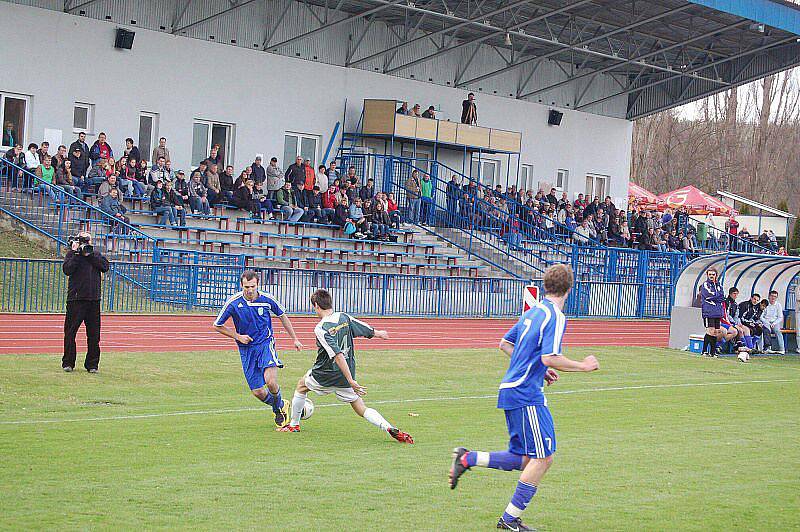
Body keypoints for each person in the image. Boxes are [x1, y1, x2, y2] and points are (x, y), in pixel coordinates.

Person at [448, 264, 598, 531]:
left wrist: (542, 370)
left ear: (544, 286)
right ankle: (509, 520)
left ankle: (467, 459)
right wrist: (583, 365)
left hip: (512, 389)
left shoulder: (533, 312)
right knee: (543, 458)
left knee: (526, 458)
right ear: (570, 290)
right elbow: (549, 356)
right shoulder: (555, 315)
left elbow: (505, 344)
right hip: (526, 394)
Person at [278, 289, 414, 444]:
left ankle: (294, 425)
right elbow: (362, 327)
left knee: (302, 386)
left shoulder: (321, 328)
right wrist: (378, 333)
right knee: (360, 408)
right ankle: (389, 427)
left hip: (325, 374)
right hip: (344, 376)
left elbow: (337, 355)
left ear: (316, 305)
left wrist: (351, 380)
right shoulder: (344, 317)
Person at [213, 270, 304, 428]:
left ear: (257, 285)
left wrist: (295, 339)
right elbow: (217, 326)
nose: (249, 290)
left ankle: (278, 410)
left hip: (265, 344)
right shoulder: (233, 302)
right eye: (246, 286)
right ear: (241, 285)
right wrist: (238, 336)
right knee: (258, 392)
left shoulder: (267, 299)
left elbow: (282, 315)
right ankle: (281, 405)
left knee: (270, 382)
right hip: (246, 349)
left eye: (252, 286)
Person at [62, 232, 110, 373]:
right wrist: (76, 253)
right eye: (83, 241)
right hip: (76, 300)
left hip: (93, 300)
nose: (85, 243)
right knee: (70, 333)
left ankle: (92, 365)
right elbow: (67, 270)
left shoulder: (95, 255)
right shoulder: (72, 255)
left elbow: (105, 266)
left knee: (94, 335)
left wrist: (90, 254)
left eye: (87, 241)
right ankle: (68, 362)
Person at [699, 267, 725, 357]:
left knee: (716, 331)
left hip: (717, 311)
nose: (711, 276)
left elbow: (722, 297)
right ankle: (704, 351)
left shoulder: (719, 286)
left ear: (716, 276)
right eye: (710, 274)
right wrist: (717, 296)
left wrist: (717, 297)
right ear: (707, 275)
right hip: (708, 310)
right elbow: (708, 295)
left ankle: (712, 352)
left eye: (713, 274)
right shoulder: (705, 285)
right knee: (710, 331)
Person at [760, 290, 786, 354]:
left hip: (775, 322)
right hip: (766, 322)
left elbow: (780, 317)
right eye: (772, 296)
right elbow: (761, 316)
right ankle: (768, 348)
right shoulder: (765, 304)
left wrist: (774, 323)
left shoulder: (778, 305)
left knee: (778, 331)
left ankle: (782, 349)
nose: (773, 298)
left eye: (775, 296)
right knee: (767, 330)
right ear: (769, 296)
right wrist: (767, 322)